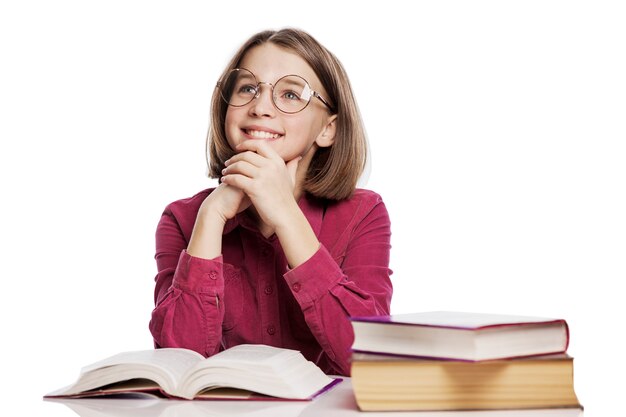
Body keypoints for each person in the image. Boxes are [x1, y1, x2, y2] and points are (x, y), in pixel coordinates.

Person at [149, 28, 392, 376]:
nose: (261, 107)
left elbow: (368, 359)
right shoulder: (184, 218)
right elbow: (176, 366)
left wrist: (285, 215)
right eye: (248, 88)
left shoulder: (364, 213)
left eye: (291, 94)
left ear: (328, 129)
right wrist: (213, 215)